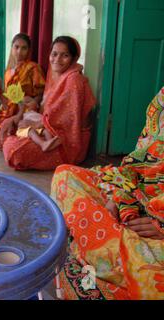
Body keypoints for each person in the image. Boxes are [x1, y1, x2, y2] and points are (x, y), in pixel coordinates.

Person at [50, 87, 164, 300]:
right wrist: (117, 198)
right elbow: (139, 162)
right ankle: (94, 247)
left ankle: (85, 247)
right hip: (138, 196)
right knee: (66, 175)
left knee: (148, 270)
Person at [0, 36, 96, 170]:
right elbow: (48, 109)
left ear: (74, 58)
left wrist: (35, 122)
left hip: (66, 140)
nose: (57, 60)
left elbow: (67, 120)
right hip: (48, 128)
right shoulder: (57, 75)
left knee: (15, 151)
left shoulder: (74, 80)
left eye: (65, 55)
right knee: (8, 125)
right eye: (54, 54)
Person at [0, 33, 46, 139]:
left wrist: (34, 102)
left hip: (26, 107)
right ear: (12, 48)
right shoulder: (8, 71)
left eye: (24, 48)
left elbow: (41, 92)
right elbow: (7, 95)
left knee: (8, 130)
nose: (19, 51)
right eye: (16, 47)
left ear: (28, 50)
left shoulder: (33, 67)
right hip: (10, 107)